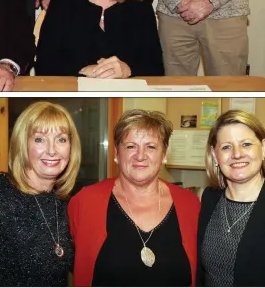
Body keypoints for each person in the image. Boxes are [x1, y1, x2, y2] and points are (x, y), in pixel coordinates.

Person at [68, 109, 200, 286]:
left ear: (164, 155)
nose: (140, 156)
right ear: (116, 153)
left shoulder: (190, 205)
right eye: (131, 146)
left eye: (151, 147)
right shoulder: (85, 202)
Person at [0, 101, 81, 286]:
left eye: (61, 140)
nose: (51, 150)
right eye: (39, 139)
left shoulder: (68, 205)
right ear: (23, 144)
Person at [198, 109, 265, 286]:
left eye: (246, 144)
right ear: (215, 155)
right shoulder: (209, 198)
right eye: (226, 147)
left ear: (263, 148)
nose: (237, 154)